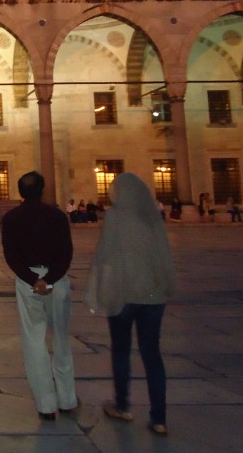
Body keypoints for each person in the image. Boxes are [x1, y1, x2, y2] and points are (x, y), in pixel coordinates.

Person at [85, 172, 175, 436]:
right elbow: (163, 255)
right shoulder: (151, 218)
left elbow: (106, 254)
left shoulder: (115, 217)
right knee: (152, 354)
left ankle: (122, 405)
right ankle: (159, 418)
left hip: (123, 294)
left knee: (121, 350)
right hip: (152, 296)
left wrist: (99, 287)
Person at [1, 171, 77, 420]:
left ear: (20, 192)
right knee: (61, 339)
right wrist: (50, 279)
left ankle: (46, 404)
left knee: (33, 340)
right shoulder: (56, 216)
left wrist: (34, 280)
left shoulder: (12, 218)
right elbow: (66, 253)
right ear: (43, 189)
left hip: (28, 281)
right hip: (55, 281)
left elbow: (12, 256)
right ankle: (67, 399)